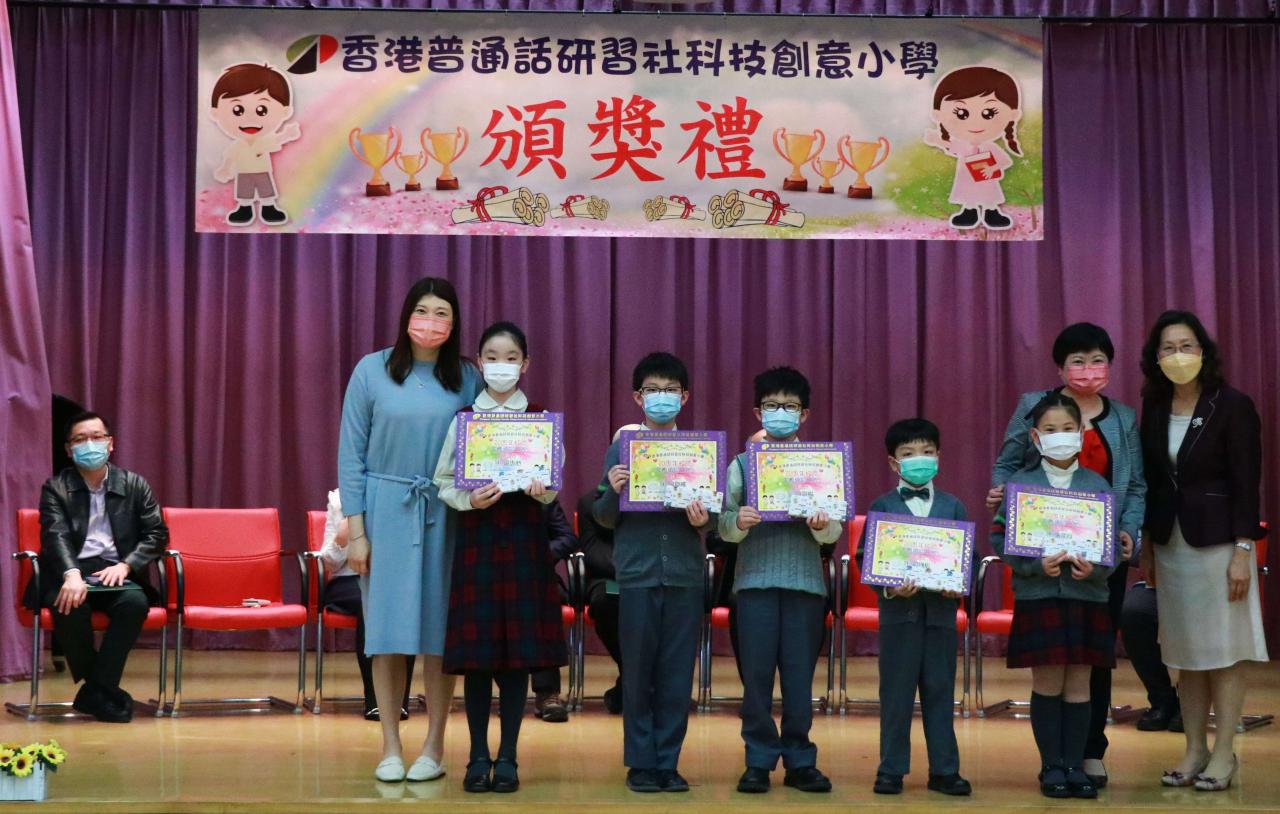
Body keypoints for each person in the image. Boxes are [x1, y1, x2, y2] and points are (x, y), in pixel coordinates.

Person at [338, 276, 482, 783]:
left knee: (440, 635)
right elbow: (351, 457)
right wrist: (357, 532)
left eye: (442, 313)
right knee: (387, 634)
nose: (431, 321)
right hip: (386, 510)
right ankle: (390, 745)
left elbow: (487, 443)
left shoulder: (467, 377)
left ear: (454, 323)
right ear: (406, 316)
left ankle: (434, 746)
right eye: (423, 310)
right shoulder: (371, 370)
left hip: (448, 512)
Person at [988, 322, 1145, 787]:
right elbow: (1006, 465)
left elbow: (1136, 486)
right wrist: (1003, 497)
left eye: (1097, 360)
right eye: (1078, 360)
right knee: (1050, 675)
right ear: (1060, 366)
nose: (1088, 368)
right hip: (1040, 575)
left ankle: (1086, 756)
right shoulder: (1033, 409)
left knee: (1087, 670)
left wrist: (1125, 536)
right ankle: (1053, 764)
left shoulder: (1122, 420)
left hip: (1096, 569)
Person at [433, 320, 569, 793]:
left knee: (516, 660)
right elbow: (443, 481)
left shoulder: (541, 419)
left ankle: (508, 756)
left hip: (525, 544)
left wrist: (541, 488)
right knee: (478, 659)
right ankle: (476, 756)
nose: (501, 366)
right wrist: (469, 499)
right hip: (479, 542)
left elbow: (553, 487)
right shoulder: (464, 419)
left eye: (511, 358)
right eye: (492, 357)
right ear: (479, 362)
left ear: (525, 364)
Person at [1138, 310, 1268, 791]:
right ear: (1156, 357)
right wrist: (1148, 545)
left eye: (1186, 346)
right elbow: (1153, 482)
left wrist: (1243, 549)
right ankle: (1193, 749)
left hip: (1220, 545)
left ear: (1203, 351)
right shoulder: (1154, 405)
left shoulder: (1231, 405)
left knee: (1225, 652)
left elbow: (1246, 483)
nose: (1178, 355)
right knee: (1185, 653)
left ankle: (1224, 753)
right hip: (1171, 545)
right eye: (1168, 348)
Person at [594, 352, 715, 794]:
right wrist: (614, 490)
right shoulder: (621, 448)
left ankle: (669, 762)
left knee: (676, 675)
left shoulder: (700, 451)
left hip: (684, 575)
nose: (661, 397)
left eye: (670, 390)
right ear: (637, 397)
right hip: (637, 575)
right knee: (639, 673)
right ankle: (641, 762)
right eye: (652, 390)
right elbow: (603, 518)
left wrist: (704, 519)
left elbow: (715, 521)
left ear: (685, 397)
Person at [991, 393, 1116, 800]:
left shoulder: (1097, 485)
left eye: (1067, 428)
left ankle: (1075, 765)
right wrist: (1032, 565)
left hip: (1087, 597)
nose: (1059, 436)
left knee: (1080, 684)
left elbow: (1111, 548)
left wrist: (1096, 569)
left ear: (1080, 433)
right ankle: (1051, 766)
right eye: (1050, 429)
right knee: (1047, 682)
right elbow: (999, 537)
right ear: (1035, 436)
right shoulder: (1019, 484)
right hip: (1039, 595)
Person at [718, 367, 836, 795]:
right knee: (757, 679)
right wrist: (739, 522)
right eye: (772, 405)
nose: (780, 413)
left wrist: (821, 525)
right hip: (754, 584)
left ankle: (801, 759)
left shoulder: (824, 464)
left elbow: (834, 531)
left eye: (789, 406)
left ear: (804, 414)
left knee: (800, 680)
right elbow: (721, 524)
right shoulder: (739, 465)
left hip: (806, 585)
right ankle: (758, 759)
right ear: (757, 412)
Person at [28, 411, 167, 723]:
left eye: (96, 437)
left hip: (115, 571)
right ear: (69, 449)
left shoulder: (134, 484)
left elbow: (157, 534)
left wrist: (127, 565)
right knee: (69, 604)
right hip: (69, 570)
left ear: (110, 443)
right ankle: (103, 693)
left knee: (134, 603)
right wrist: (71, 574)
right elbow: (55, 534)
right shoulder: (55, 487)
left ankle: (94, 692)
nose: (89, 444)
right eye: (80, 439)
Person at [860, 418, 971, 797]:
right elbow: (865, 559)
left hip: (940, 618)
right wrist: (890, 588)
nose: (919, 459)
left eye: (927, 452)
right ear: (894, 462)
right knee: (896, 695)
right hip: (899, 619)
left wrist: (956, 583)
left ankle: (945, 770)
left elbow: (966, 559)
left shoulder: (953, 506)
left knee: (940, 691)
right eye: (909, 453)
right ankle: (891, 769)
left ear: (938, 456)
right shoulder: (882, 505)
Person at [317, 488, 415, 721]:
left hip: (390, 578)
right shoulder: (339, 499)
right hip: (348, 580)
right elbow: (329, 562)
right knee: (369, 601)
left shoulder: (398, 495)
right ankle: (375, 702)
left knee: (403, 605)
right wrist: (342, 539)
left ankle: (400, 701)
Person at [577, 488, 624, 714]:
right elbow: (592, 550)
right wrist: (628, 568)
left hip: (649, 575)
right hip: (607, 576)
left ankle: (630, 685)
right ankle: (636, 678)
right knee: (605, 603)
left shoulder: (652, 501)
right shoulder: (589, 502)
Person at [1119, 582, 1181, 732]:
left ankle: (1192, 703)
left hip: (1206, 588)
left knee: (1195, 614)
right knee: (1134, 610)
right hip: (1159, 585)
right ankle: (1162, 699)